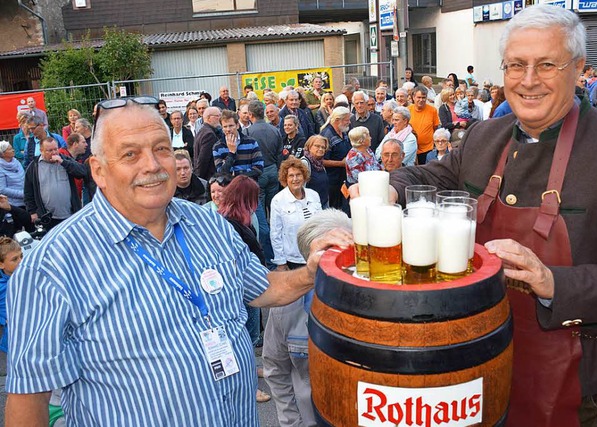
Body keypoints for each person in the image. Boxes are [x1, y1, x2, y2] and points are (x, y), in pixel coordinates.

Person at [352, 5, 597, 426]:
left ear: (577, 68)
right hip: (473, 359)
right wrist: (389, 187)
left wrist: (553, 281)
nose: (528, 80)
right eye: (516, 65)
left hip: (568, 370)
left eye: (546, 65)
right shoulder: (485, 136)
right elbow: (429, 176)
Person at [4, 98, 352, 426]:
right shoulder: (52, 266)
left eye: (161, 149)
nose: (152, 165)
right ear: (98, 170)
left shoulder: (208, 222)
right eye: (130, 154)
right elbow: (29, 400)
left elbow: (262, 287)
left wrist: (309, 272)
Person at [264, 208, 351, 427]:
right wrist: (292, 422)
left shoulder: (374, 302)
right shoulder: (286, 306)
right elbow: (276, 370)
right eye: (329, 254)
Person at [216, 175, 271, 403]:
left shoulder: (238, 219)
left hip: (249, 284)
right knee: (244, 336)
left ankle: (252, 367)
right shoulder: (230, 224)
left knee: (251, 334)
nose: (257, 201)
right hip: (242, 288)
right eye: (254, 197)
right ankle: (250, 386)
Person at [24, 137, 86, 231]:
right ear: (41, 151)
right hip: (48, 217)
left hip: (69, 214)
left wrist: (63, 162)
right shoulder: (34, 167)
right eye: (49, 150)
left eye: (55, 149)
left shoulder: (64, 160)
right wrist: (32, 211)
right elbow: (28, 192)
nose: (54, 153)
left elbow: (82, 172)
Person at [270, 157, 321, 271]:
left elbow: (321, 226)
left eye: (298, 175)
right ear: (285, 178)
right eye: (291, 176)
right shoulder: (278, 200)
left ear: (304, 176)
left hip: (315, 255)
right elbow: (275, 233)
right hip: (293, 260)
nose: (295, 179)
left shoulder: (314, 195)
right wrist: (281, 262)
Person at [320, 107, 351, 211]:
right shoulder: (327, 134)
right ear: (338, 120)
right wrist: (340, 163)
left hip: (342, 179)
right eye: (347, 120)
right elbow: (321, 161)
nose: (349, 122)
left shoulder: (343, 131)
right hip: (332, 181)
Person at [0, 237, 21, 354]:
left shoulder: (26, 276)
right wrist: (4, 319)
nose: (21, 261)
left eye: (21, 256)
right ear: (1, 264)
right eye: (15, 259)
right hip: (13, 335)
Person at [408, 86, 440, 164]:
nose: (421, 100)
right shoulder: (408, 110)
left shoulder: (432, 110)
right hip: (411, 149)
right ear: (413, 97)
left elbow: (435, 127)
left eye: (423, 98)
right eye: (418, 97)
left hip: (427, 149)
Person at [193, 107, 223, 181]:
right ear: (209, 118)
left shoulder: (203, 131)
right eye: (218, 116)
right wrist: (199, 179)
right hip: (208, 177)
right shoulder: (209, 134)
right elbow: (203, 159)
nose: (220, 118)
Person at [300, 135, 329, 209]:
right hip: (310, 207)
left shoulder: (320, 163)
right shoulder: (305, 163)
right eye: (317, 146)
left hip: (323, 205)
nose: (320, 149)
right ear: (309, 147)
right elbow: (300, 188)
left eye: (323, 147)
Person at [0, 141, 26, 208]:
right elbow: (2, 189)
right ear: (2, 154)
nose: (13, 150)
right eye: (10, 149)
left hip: (26, 201)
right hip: (12, 205)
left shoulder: (16, 162)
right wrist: (22, 194)